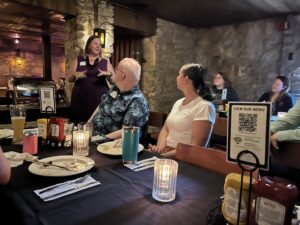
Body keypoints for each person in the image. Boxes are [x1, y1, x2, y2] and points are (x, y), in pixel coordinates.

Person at [148, 63, 216, 156]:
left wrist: (163, 156)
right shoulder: (178, 102)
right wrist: (159, 150)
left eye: (179, 74)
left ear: (186, 79)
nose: (177, 77)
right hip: (166, 154)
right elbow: (166, 129)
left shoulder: (204, 106)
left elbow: (195, 147)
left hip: (183, 158)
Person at [88, 58, 149, 139]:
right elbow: (102, 104)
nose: (114, 71)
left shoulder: (138, 102)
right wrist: (88, 123)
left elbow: (125, 132)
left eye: (116, 69)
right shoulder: (116, 88)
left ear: (123, 75)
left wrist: (97, 139)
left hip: (109, 144)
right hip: (94, 136)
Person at [67, 35, 114, 123]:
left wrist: (109, 74)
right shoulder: (79, 60)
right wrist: (75, 74)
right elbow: (69, 79)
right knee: (79, 123)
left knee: (97, 123)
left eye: (99, 45)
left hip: (98, 99)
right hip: (80, 99)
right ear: (88, 45)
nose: (98, 46)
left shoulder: (105, 62)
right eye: (95, 43)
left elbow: (114, 81)